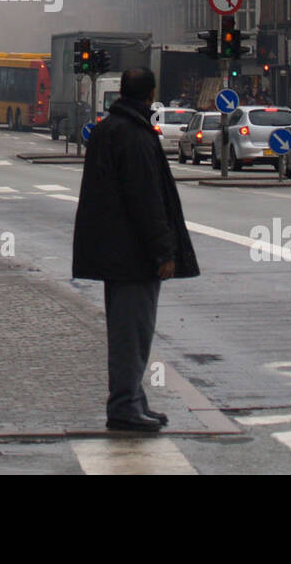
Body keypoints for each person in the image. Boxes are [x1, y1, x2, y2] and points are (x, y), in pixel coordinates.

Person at [71, 67, 199, 432]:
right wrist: (164, 252)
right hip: (133, 254)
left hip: (114, 250)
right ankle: (125, 406)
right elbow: (147, 200)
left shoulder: (109, 129)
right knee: (133, 333)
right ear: (149, 95)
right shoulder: (135, 135)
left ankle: (132, 400)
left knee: (127, 330)